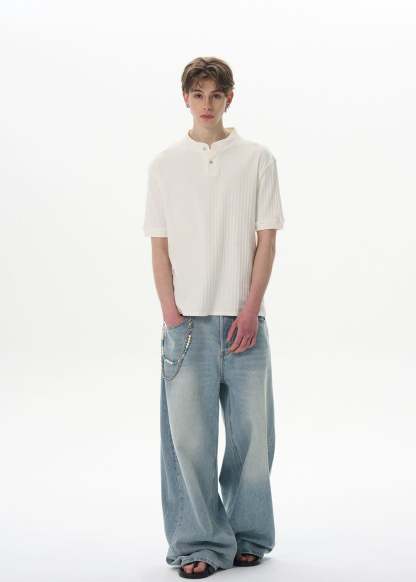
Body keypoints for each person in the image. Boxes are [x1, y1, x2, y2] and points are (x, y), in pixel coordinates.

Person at [143, 56, 285, 579]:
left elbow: (266, 241)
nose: (207, 104)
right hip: (186, 324)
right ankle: (198, 542)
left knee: (252, 440)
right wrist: (171, 314)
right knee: (189, 443)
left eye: (216, 94)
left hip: (245, 321)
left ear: (230, 98)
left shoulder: (257, 159)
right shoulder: (164, 165)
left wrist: (249, 310)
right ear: (186, 98)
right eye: (198, 94)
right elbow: (159, 246)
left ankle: (248, 535)